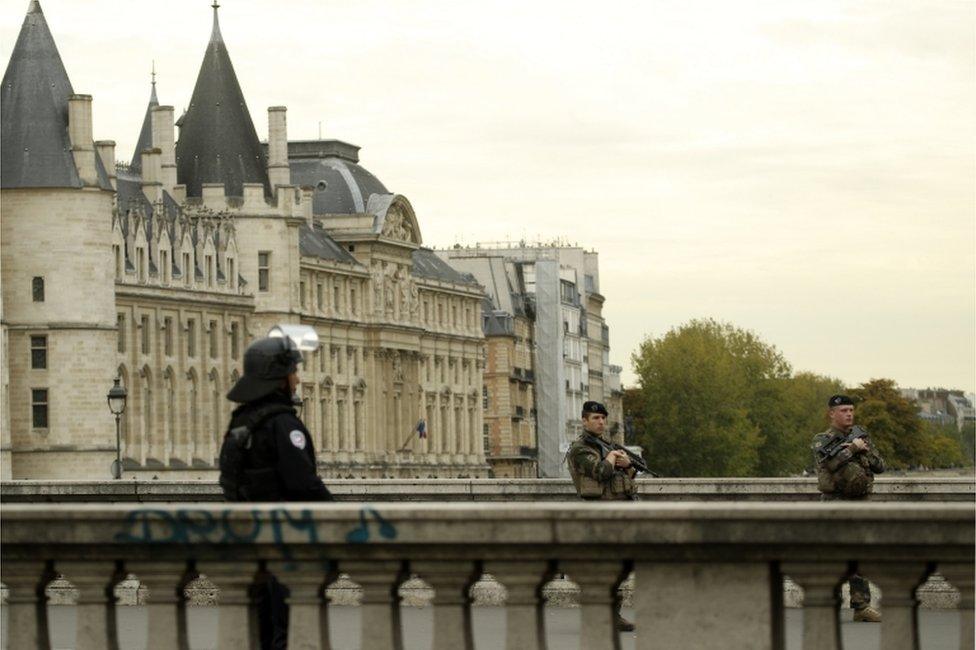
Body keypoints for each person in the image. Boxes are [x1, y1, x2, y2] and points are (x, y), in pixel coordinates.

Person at [223, 334, 333, 649]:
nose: (298, 380)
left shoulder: (241, 422)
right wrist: (344, 516)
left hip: (250, 545)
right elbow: (305, 484)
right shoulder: (285, 426)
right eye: (293, 372)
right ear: (279, 378)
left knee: (261, 634)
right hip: (286, 546)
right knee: (289, 634)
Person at [811, 394, 886, 623]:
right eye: (844, 410)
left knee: (861, 555)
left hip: (861, 501)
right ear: (831, 413)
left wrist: (863, 450)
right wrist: (851, 450)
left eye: (851, 410)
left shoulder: (861, 436)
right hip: (835, 502)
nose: (849, 414)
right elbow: (829, 465)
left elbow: (881, 466)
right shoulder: (821, 440)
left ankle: (861, 606)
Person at [566, 400, 638, 633]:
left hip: (616, 513)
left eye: (603, 418)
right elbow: (600, 472)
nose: (601, 422)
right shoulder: (581, 448)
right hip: (598, 514)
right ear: (584, 421)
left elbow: (632, 472)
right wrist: (610, 460)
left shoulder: (607, 444)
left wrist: (627, 464)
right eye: (595, 418)